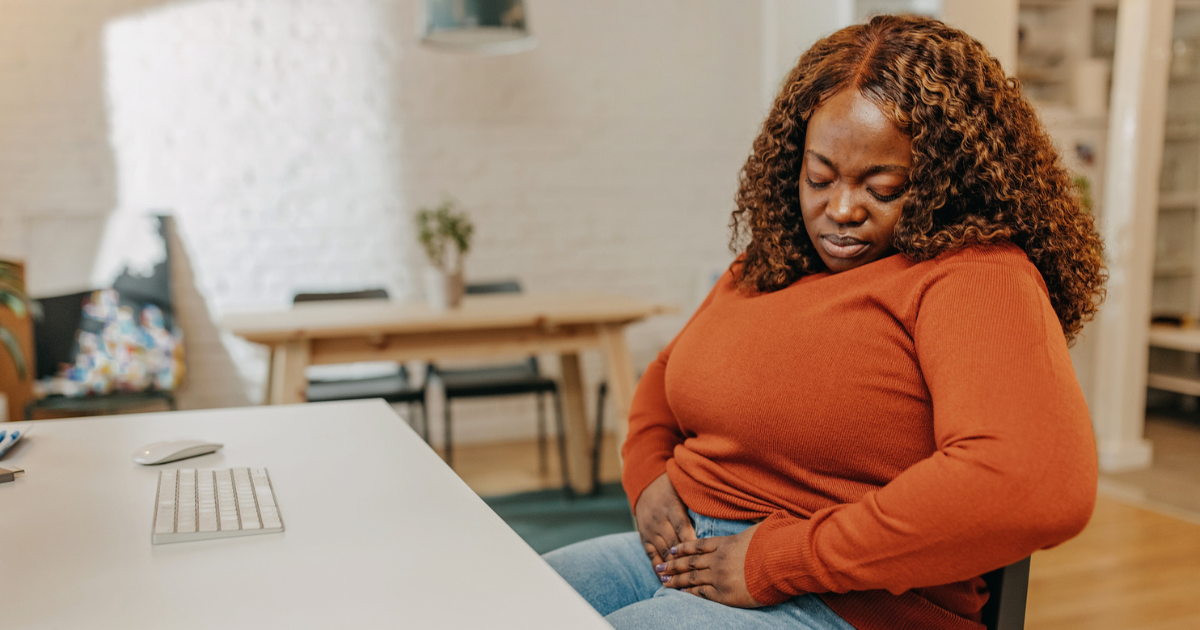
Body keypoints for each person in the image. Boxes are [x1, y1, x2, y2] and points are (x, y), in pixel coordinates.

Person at [544, 14, 1105, 630]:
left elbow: (1031, 482)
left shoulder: (974, 275)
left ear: (948, 183)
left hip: (848, 601)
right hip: (687, 553)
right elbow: (666, 375)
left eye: (883, 186)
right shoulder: (771, 261)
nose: (840, 210)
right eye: (819, 178)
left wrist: (781, 559)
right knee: (495, 598)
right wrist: (648, 475)